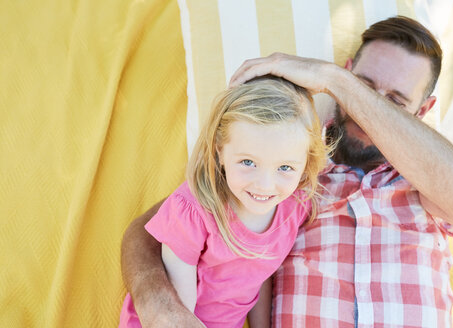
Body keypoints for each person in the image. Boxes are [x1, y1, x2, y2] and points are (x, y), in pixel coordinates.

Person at [121, 16, 453, 327]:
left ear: (424, 110)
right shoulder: (286, 160)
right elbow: (157, 228)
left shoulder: (431, 180)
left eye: (394, 101)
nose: (366, 111)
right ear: (348, 71)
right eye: (364, 85)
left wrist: (337, 82)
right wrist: (161, 307)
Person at [119, 77, 330, 328]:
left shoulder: (295, 205)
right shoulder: (192, 213)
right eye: (248, 162)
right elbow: (178, 316)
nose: (264, 185)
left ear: (306, 164)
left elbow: (259, 274)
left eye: (284, 167)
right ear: (219, 151)